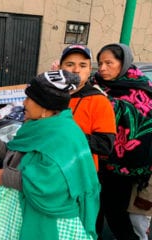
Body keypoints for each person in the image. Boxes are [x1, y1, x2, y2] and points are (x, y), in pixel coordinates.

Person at [0, 70, 100, 239]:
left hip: (48, 222)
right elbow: (16, 158)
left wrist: (7, 177)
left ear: (45, 107)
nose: (24, 103)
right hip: (24, 210)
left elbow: (55, 184)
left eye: (29, 99)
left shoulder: (63, 136)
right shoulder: (39, 127)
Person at [92, 43, 152, 240]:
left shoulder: (141, 87)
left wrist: (107, 102)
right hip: (96, 160)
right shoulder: (96, 84)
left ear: (123, 63)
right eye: (100, 63)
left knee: (116, 215)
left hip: (124, 167)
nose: (102, 68)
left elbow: (141, 120)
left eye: (109, 63)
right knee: (94, 212)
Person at [59, 44, 117, 171]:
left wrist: (66, 136)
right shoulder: (49, 95)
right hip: (46, 172)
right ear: (60, 68)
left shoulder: (99, 101)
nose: (76, 70)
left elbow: (105, 145)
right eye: (69, 64)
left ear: (90, 69)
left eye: (83, 65)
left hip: (80, 176)